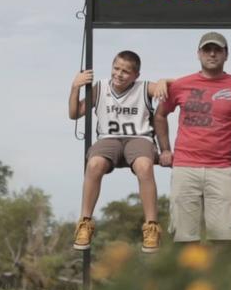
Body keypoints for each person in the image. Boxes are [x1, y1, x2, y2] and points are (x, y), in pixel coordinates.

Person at [154, 32, 231, 245]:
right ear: (198, 54)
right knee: (184, 237)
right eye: (207, 49)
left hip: (221, 168)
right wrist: (165, 150)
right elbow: (160, 115)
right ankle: (187, 280)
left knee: (224, 237)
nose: (212, 53)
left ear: (226, 55)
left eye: (218, 50)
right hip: (185, 167)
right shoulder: (181, 85)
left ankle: (219, 279)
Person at [69, 51, 167, 253]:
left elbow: (168, 87)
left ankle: (151, 227)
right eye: (116, 68)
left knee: (144, 165)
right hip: (109, 138)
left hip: (139, 138)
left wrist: (165, 81)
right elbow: (74, 113)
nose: (119, 74)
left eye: (126, 71)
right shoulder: (101, 87)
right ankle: (85, 223)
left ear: (136, 75)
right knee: (94, 164)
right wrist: (75, 87)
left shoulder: (144, 87)